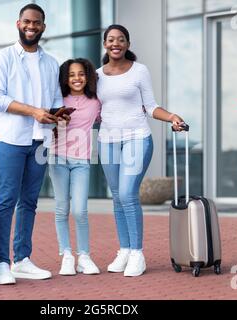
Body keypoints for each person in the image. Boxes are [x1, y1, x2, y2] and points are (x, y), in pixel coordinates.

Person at [96, 24, 185, 277]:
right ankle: (124, 249)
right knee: (116, 196)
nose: (116, 43)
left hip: (136, 137)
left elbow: (151, 106)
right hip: (107, 141)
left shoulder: (139, 71)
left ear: (127, 44)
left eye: (121, 39)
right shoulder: (97, 75)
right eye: (111, 39)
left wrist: (171, 118)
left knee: (127, 193)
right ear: (105, 44)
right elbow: (89, 108)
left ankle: (137, 253)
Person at [0, 3, 67, 284]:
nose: (31, 27)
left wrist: (58, 114)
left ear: (43, 27)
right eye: (27, 22)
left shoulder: (51, 62)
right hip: (11, 139)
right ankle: (0, 262)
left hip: (40, 139)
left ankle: (22, 259)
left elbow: (56, 98)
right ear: (18, 24)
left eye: (37, 23)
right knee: (7, 199)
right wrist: (33, 111)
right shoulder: (3, 58)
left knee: (29, 202)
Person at [48, 59, 101, 276]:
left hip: (82, 161)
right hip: (57, 158)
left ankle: (84, 256)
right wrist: (58, 121)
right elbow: (47, 126)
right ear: (65, 79)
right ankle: (67, 255)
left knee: (80, 210)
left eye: (81, 74)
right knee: (62, 209)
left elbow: (106, 118)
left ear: (87, 76)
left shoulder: (96, 101)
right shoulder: (57, 99)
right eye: (71, 75)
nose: (76, 78)